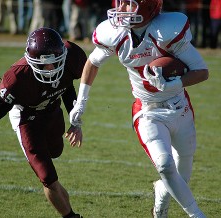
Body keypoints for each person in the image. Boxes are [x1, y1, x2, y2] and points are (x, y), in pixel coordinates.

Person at [68, 0, 209, 217]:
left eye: (128, 4)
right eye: (121, 3)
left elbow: (201, 71)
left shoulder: (167, 31)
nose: (121, 9)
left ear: (149, 7)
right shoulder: (115, 34)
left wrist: (173, 83)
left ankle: (162, 192)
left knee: (180, 178)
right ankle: (197, 214)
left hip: (179, 108)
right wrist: (81, 102)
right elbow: (93, 62)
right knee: (164, 165)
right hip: (147, 111)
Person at [0, 27, 86, 218]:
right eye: (46, 64)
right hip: (26, 118)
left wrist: (75, 122)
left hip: (52, 111)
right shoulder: (18, 78)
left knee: (55, 153)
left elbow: (67, 86)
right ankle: (71, 216)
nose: (52, 68)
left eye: (56, 62)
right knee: (47, 177)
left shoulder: (72, 56)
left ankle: (5, 92)